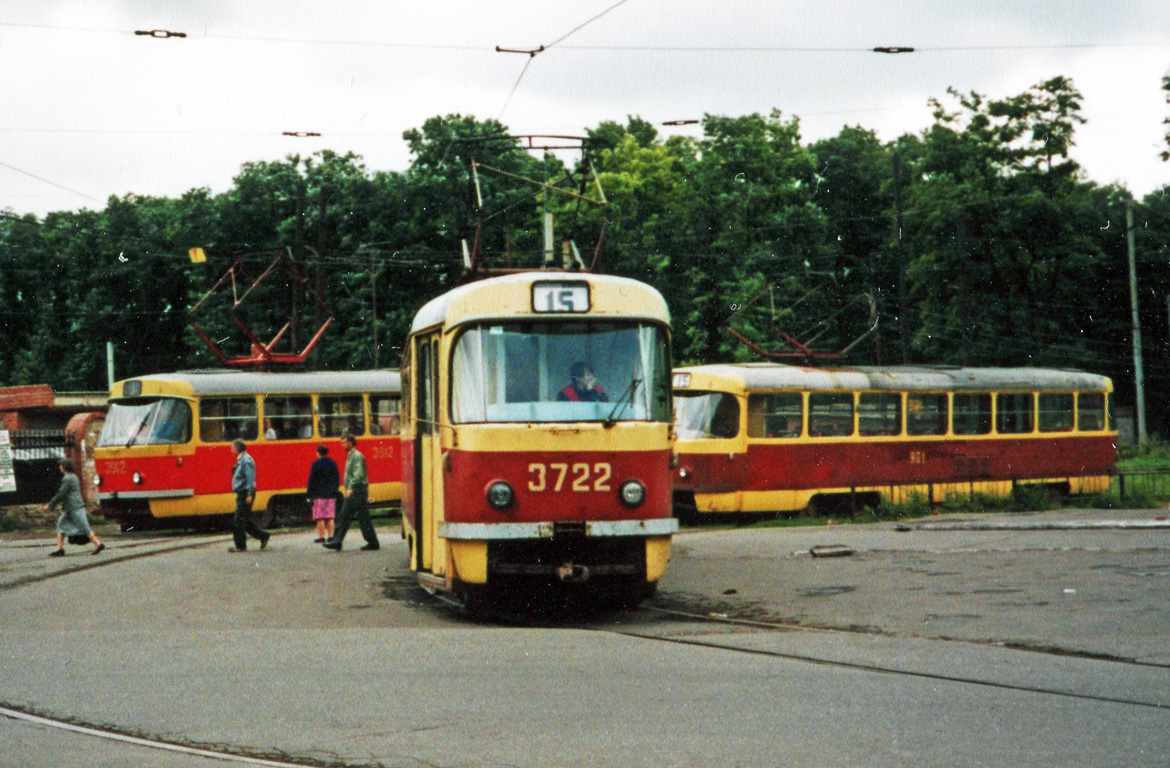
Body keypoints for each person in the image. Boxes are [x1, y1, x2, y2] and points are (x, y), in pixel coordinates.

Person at [322, 433, 379, 551]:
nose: (342, 445)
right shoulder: (351, 456)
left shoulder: (357, 456)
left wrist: (351, 488)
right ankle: (373, 542)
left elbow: (358, 474)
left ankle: (337, 541)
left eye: (344, 442)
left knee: (344, 515)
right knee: (363, 517)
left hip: (357, 490)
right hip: (357, 490)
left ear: (350, 443)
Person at [42, 458, 104, 556]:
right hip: (71, 507)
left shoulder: (67, 478)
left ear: (64, 467)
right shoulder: (74, 477)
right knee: (60, 525)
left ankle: (98, 543)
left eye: (61, 465)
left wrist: (50, 505)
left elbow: (61, 493)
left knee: (84, 526)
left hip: (73, 507)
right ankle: (60, 548)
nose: (60, 467)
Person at [229, 439, 271, 552]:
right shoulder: (242, 460)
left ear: (238, 449)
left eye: (232, 448)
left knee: (238, 520)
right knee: (244, 520)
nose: (231, 451)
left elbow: (250, 479)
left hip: (245, 493)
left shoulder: (246, 461)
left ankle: (240, 546)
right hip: (242, 493)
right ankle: (263, 536)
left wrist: (249, 494)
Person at [306, 444, 340, 543]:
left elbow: (311, 479)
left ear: (318, 453)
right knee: (330, 517)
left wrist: (309, 493)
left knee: (319, 517)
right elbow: (337, 478)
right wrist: (335, 489)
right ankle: (330, 536)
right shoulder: (333, 463)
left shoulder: (316, 464)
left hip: (319, 494)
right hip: (331, 494)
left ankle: (322, 537)